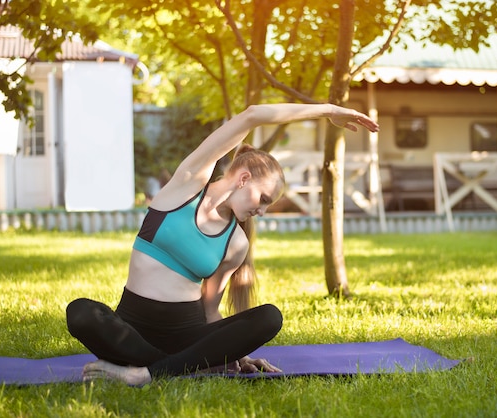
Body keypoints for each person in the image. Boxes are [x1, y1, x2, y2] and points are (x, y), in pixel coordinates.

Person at [65, 103, 379, 385]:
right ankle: (180, 369)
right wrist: (327, 111)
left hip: (186, 336)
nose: (263, 211)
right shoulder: (185, 187)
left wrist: (232, 351)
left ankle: (147, 373)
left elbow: (210, 309)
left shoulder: (236, 242)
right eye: (263, 199)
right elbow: (252, 116)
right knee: (80, 312)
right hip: (130, 330)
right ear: (243, 178)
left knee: (270, 317)